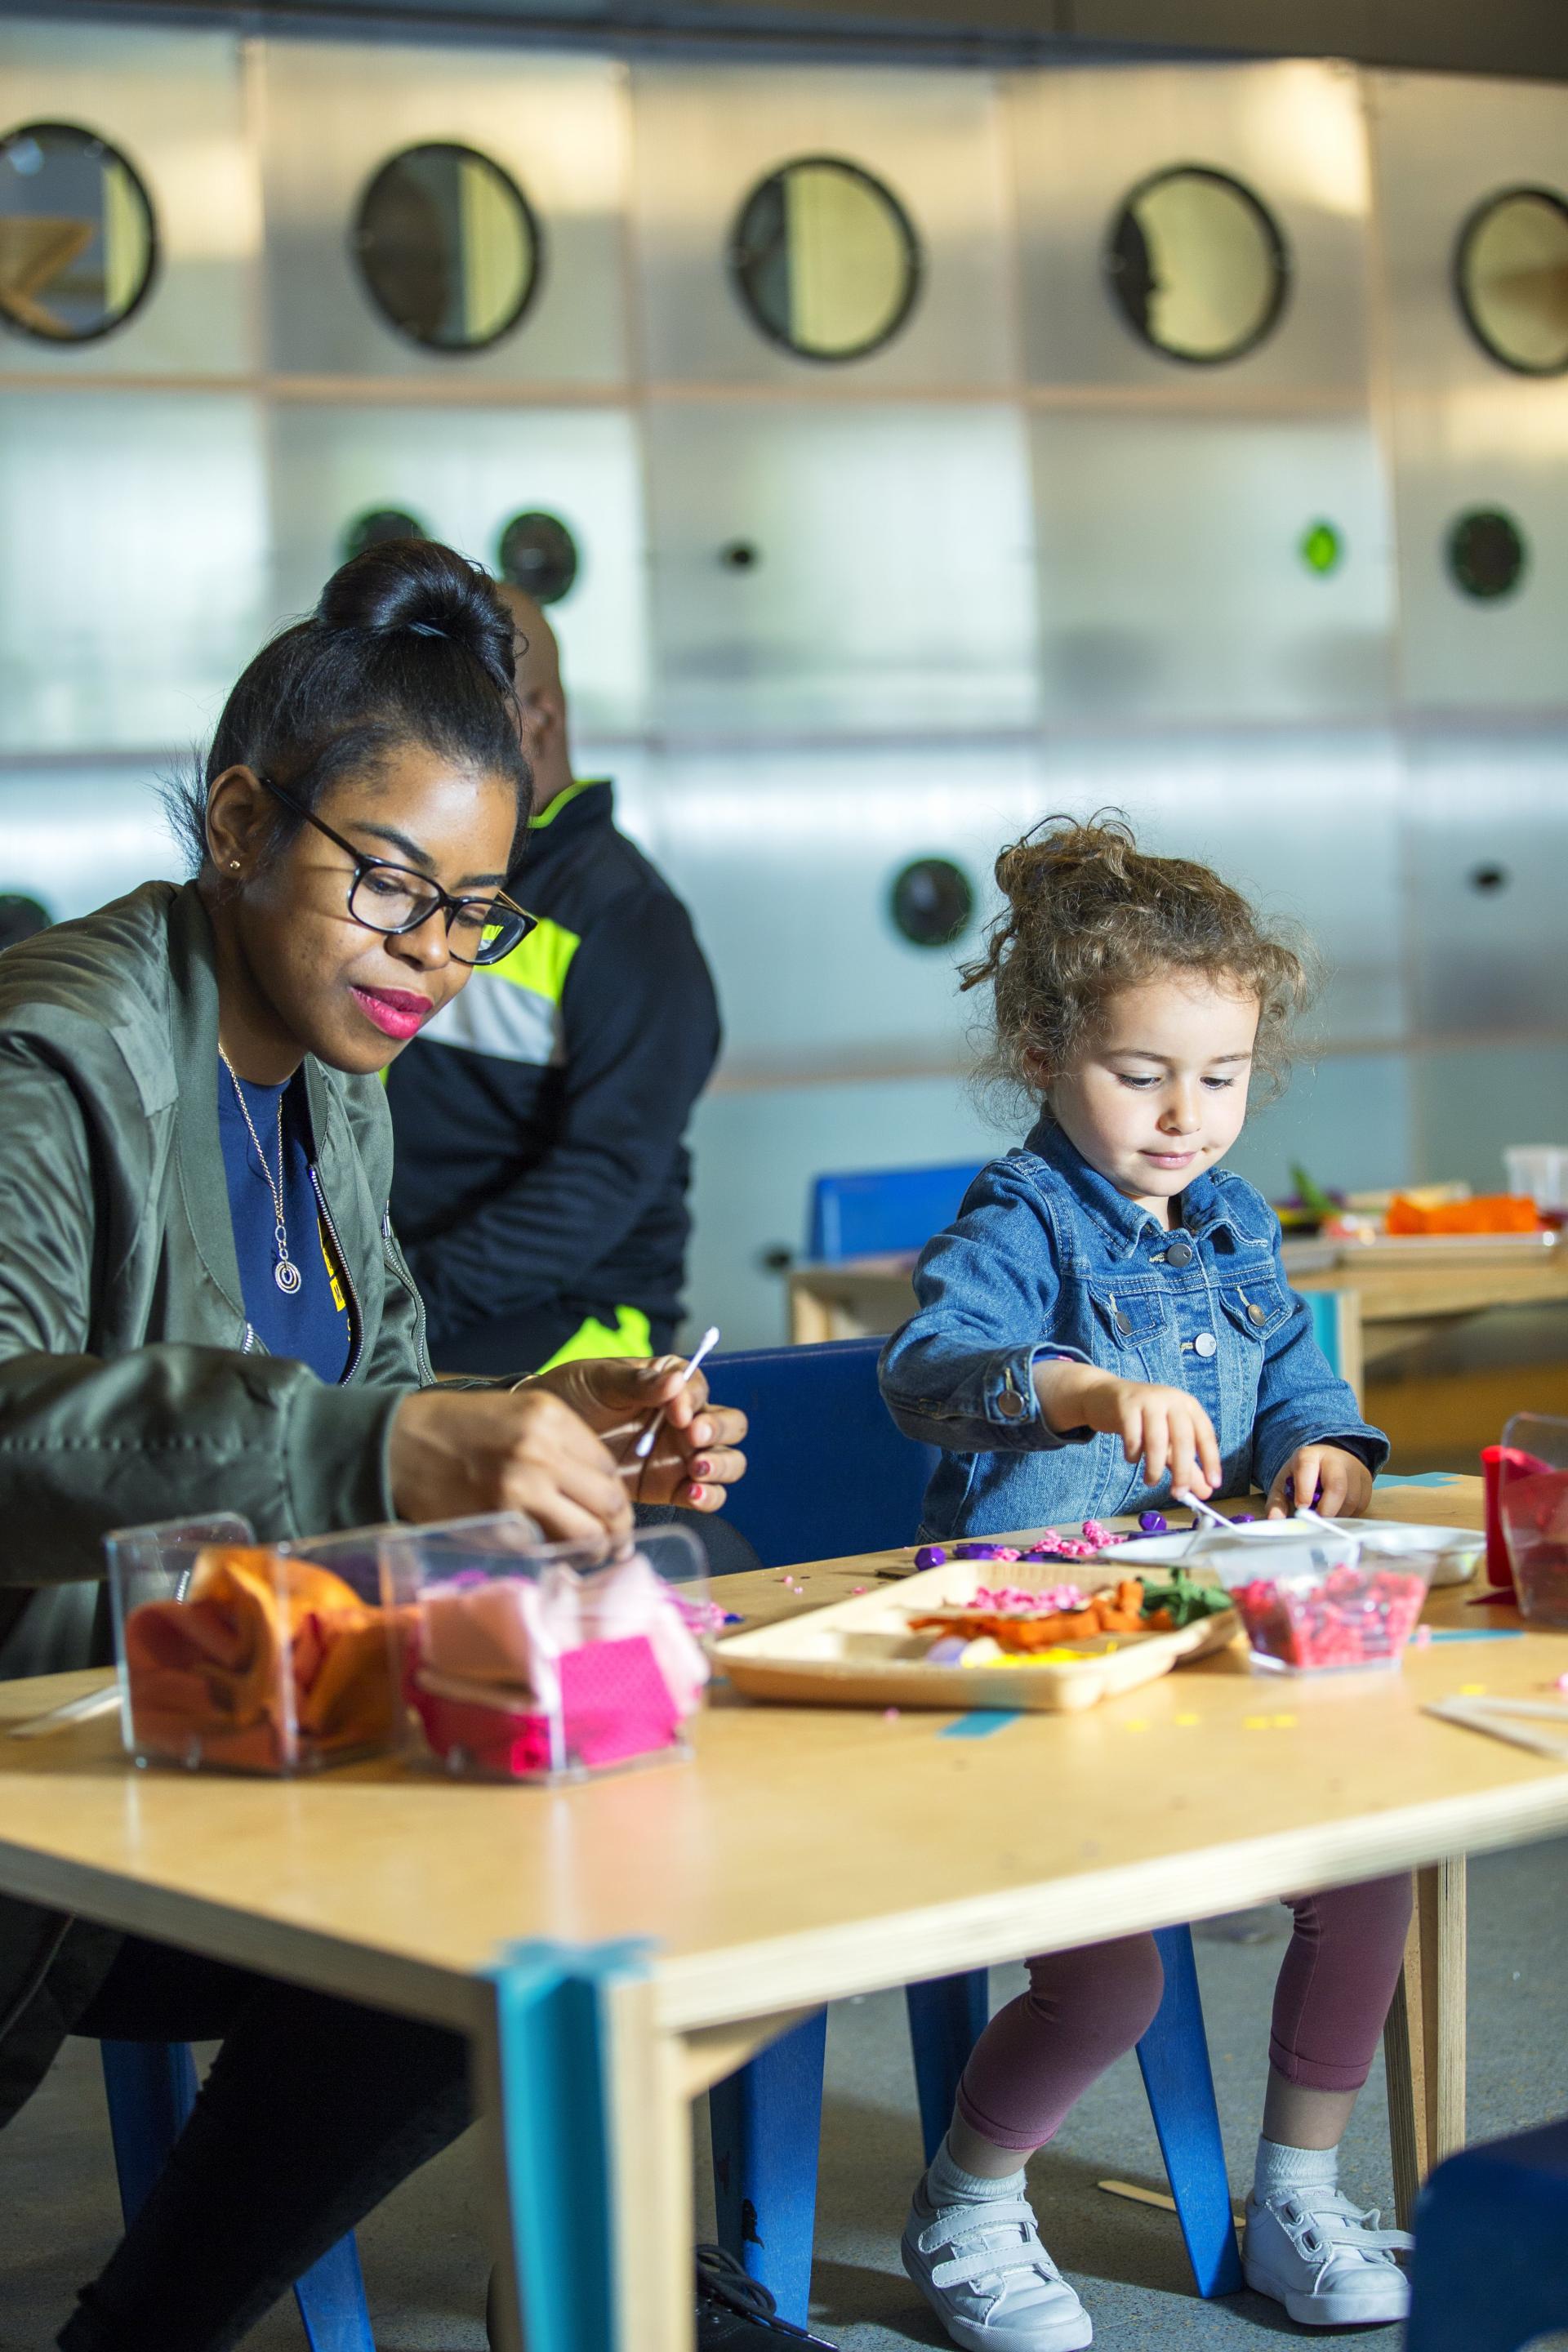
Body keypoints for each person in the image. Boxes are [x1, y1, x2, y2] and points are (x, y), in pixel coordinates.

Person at [0, 539, 750, 2352]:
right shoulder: (60, 1045)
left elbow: (384, 1372)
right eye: (394, 887)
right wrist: (387, 1445)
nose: (432, 955)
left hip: (209, 1728)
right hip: (48, 1780)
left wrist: (542, 1435)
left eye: (473, 911)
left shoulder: (335, 1074)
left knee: (557, 1879)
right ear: (245, 822)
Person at [880, 816, 1410, 2350]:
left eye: (1223, 1080)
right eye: (1143, 1076)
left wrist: (1331, 1457)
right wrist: (1087, 1392)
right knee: (1109, 1987)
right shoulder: (1018, 1218)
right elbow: (929, 1370)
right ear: (1047, 1052)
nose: (1188, 1118)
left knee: (1370, 1874)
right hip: (1038, 1660)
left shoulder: (1238, 1224)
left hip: (1208, 1644)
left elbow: (1303, 1381)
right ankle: (971, 2201)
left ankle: (1298, 2196)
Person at [386, 584, 720, 1377]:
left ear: (536, 719)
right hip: (413, 1297)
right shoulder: (424, 886)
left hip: (578, 1318)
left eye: (457, 721)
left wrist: (407, 1300)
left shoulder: (626, 918)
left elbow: (602, 1182)